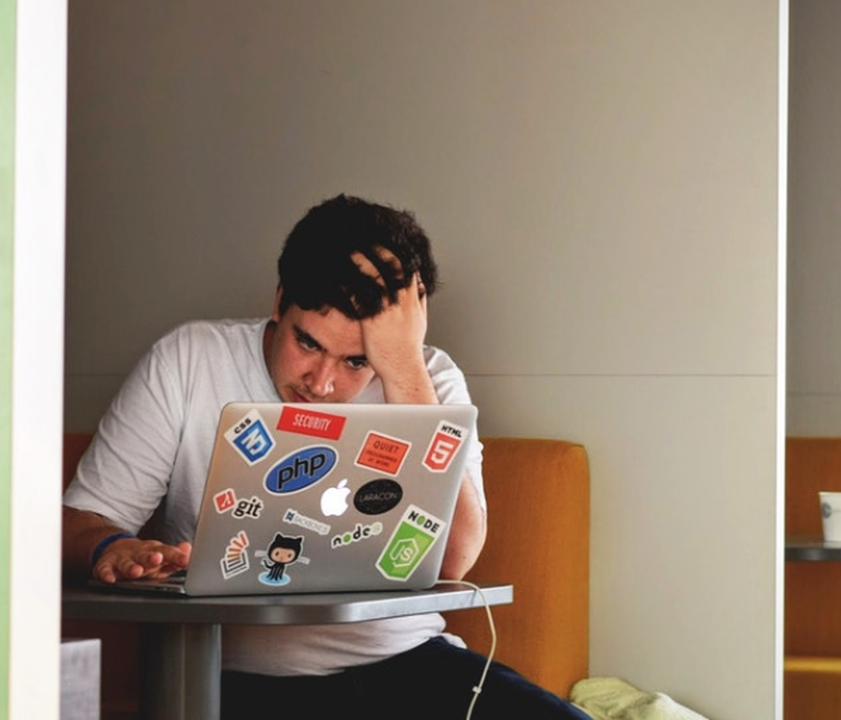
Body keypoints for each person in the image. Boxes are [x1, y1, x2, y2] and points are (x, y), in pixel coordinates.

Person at [62, 194, 592, 720]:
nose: (322, 382)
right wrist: (113, 546)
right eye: (308, 343)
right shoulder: (189, 360)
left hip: (405, 662)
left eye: (357, 360)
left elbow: (455, 558)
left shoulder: (427, 379)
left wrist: (402, 367)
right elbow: (76, 522)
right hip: (233, 681)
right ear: (278, 301)